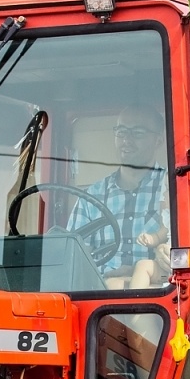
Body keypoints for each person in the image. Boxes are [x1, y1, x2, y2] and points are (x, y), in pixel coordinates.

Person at [72, 107, 171, 288]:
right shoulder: (91, 197)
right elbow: (74, 260)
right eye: (121, 132)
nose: (127, 140)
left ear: (158, 140)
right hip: (99, 295)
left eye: (138, 133)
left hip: (158, 294)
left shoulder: (173, 189)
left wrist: (157, 259)